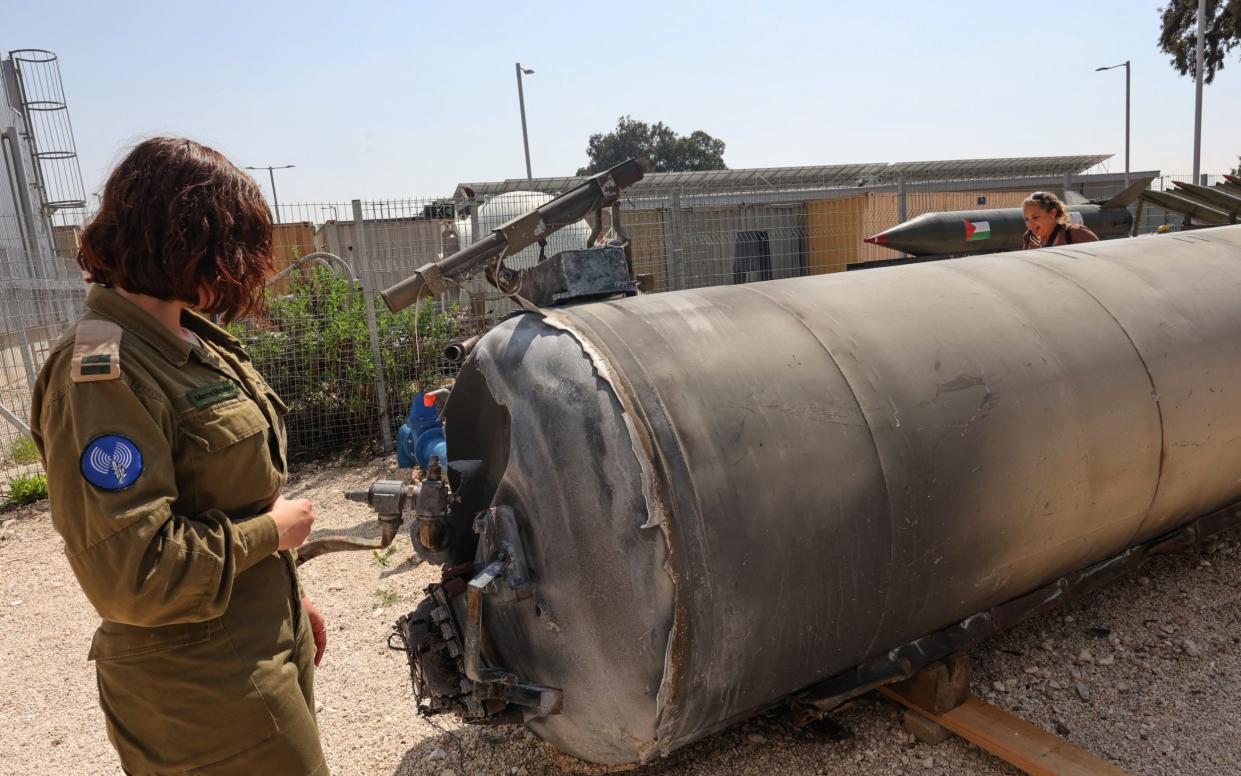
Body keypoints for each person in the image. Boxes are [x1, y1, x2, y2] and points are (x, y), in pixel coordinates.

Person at [29, 137, 329, 775]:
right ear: (185, 241)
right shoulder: (101, 373)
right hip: (200, 687)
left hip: (255, 646)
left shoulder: (182, 337)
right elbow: (133, 574)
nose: (245, 268)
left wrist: (285, 603)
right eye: (234, 246)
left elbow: (219, 488)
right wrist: (272, 533)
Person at [1021, 191, 1100, 249]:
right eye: (1026, 219)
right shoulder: (1029, 237)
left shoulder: (1077, 233)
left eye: (1035, 217)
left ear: (1052, 213)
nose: (1030, 224)